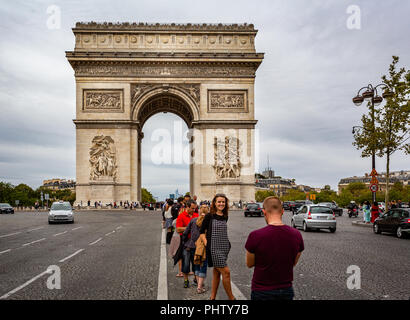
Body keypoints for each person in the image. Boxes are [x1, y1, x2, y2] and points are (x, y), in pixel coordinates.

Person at [245, 196, 304, 300]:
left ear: (264, 212)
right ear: (282, 211)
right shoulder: (296, 234)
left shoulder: (255, 235)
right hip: (286, 289)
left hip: (261, 290)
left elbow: (249, 264)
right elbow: (293, 262)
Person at [199, 193, 235, 300]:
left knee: (216, 272)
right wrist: (207, 244)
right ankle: (232, 298)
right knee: (226, 272)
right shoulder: (209, 216)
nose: (221, 203)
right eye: (219, 201)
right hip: (213, 248)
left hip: (224, 247)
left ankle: (212, 297)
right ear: (214, 203)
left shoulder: (225, 216)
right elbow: (201, 232)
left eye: (223, 202)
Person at [183, 204, 209, 294]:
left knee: (196, 266)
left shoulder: (193, 220)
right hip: (204, 247)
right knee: (203, 266)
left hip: (193, 246)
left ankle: (199, 284)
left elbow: (186, 232)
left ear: (199, 212)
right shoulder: (210, 222)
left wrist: (185, 242)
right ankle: (199, 287)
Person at [176, 199, 199, 288]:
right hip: (185, 243)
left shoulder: (197, 215)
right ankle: (186, 280)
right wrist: (190, 227)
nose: (194, 210)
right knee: (185, 263)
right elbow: (178, 229)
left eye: (195, 209)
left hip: (195, 243)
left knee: (195, 263)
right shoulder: (181, 216)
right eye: (192, 208)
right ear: (187, 207)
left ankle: (195, 279)